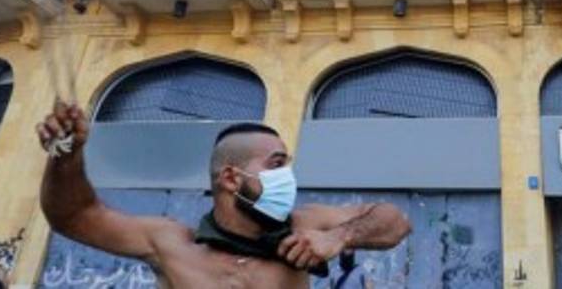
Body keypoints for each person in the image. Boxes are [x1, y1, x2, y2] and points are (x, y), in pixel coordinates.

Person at [37, 102, 411, 288]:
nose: (287, 178)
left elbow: (395, 221)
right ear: (231, 178)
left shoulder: (304, 226)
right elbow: (74, 217)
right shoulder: (172, 244)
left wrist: (339, 236)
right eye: (276, 164)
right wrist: (66, 156)